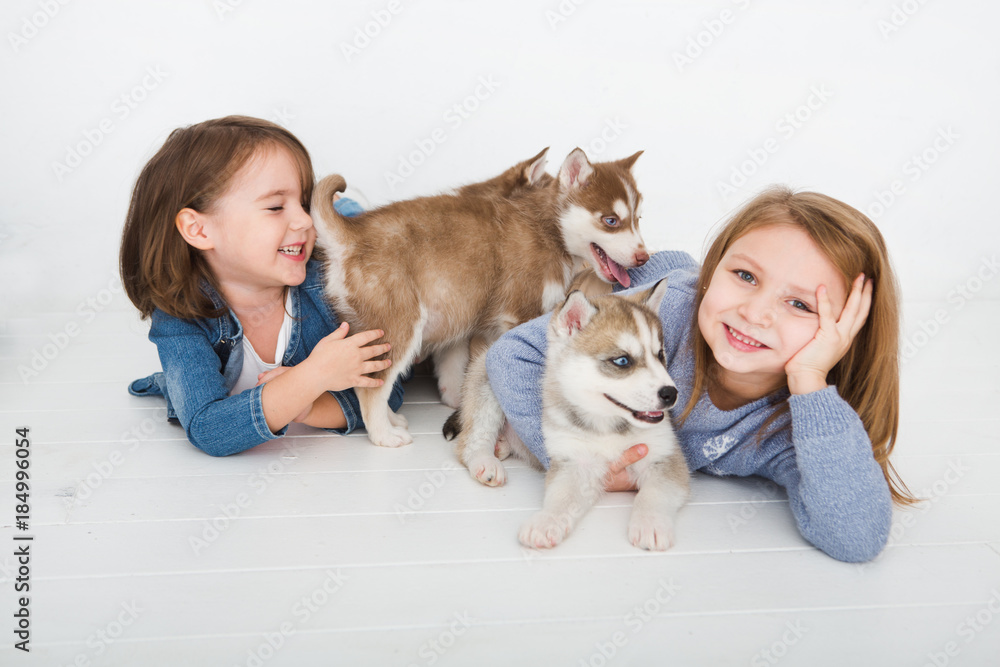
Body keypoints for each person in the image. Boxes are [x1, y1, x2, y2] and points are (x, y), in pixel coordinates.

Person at [485, 186, 916, 562]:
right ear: (713, 272)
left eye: (800, 304)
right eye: (744, 275)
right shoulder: (666, 315)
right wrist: (568, 454)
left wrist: (809, 379)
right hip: (644, 288)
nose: (755, 313)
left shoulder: (793, 425)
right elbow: (514, 353)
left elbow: (856, 538)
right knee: (519, 313)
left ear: (846, 331)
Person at [120, 116, 402, 456]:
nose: (303, 220)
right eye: (275, 206)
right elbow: (210, 429)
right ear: (199, 230)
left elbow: (389, 384)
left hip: (368, 257)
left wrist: (311, 408)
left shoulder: (330, 282)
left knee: (376, 241)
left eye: (305, 202)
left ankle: (346, 213)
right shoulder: (180, 319)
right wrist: (313, 378)